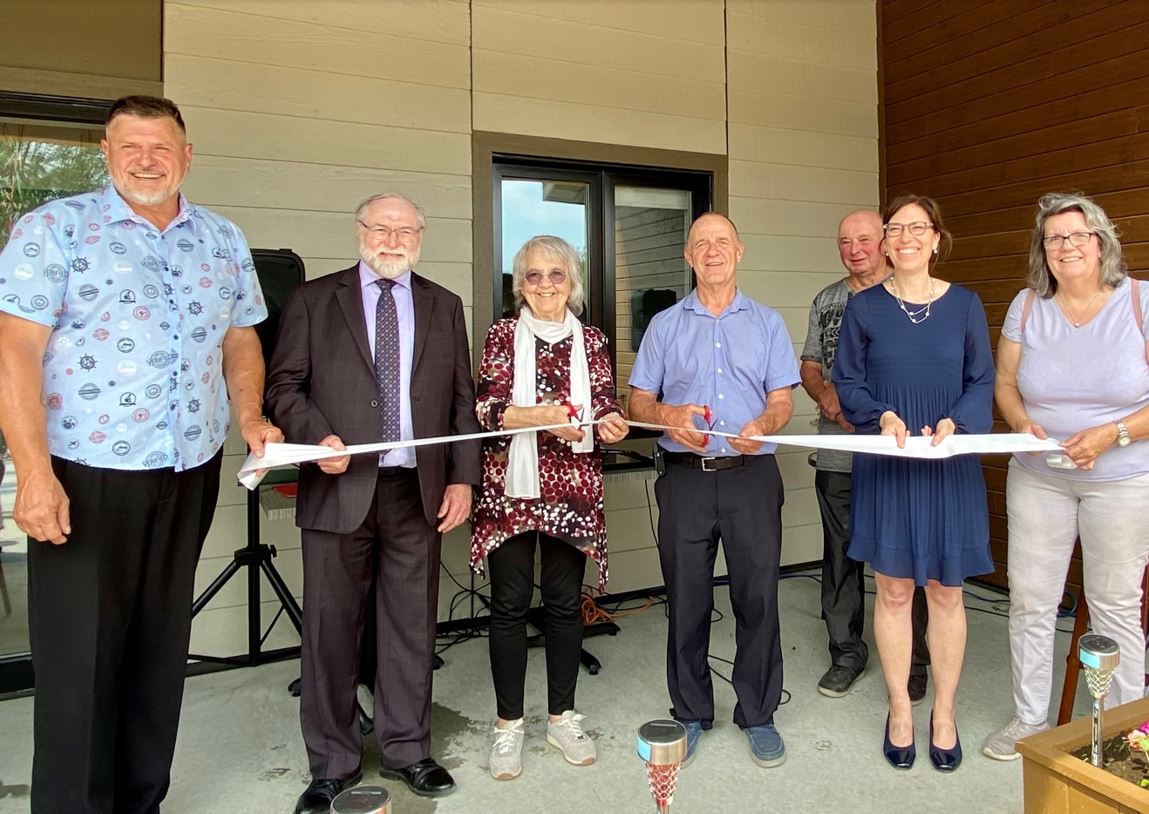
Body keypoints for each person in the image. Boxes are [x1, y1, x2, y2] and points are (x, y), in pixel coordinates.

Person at [0, 95, 279, 814]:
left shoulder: (221, 238)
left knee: (159, 646)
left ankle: (140, 801)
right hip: (86, 472)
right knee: (80, 658)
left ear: (186, 156)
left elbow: (241, 337)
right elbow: (14, 352)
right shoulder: (55, 229)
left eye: (161, 147)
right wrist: (33, 473)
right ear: (106, 152)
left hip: (188, 468)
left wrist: (250, 416)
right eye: (131, 146)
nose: (146, 160)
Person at [265, 194, 480, 811]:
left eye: (405, 230)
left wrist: (462, 478)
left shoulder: (444, 304)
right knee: (330, 630)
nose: (392, 239)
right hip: (338, 486)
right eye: (381, 228)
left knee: (411, 627)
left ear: (421, 236)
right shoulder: (314, 299)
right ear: (359, 231)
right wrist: (315, 437)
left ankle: (408, 749)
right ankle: (331, 764)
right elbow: (283, 387)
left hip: (417, 492)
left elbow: (461, 401)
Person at [629, 212, 800, 769]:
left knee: (758, 598)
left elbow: (782, 400)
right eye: (701, 243)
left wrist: (765, 424)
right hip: (685, 480)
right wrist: (668, 415)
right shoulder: (664, 325)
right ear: (688, 256)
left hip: (752, 478)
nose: (712, 251)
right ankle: (690, 711)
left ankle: (758, 713)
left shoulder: (768, 323)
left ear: (739, 251)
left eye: (721, 241)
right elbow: (638, 402)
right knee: (687, 599)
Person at [983, 192, 1149, 761]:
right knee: (1031, 601)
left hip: (1123, 480)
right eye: (1054, 238)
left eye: (1078, 235)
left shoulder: (1141, 302)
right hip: (1039, 477)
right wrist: (1021, 422)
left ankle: (1129, 733)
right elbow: (1006, 383)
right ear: (1043, 250)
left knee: (1114, 605)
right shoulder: (1028, 306)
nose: (1066, 246)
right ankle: (1029, 719)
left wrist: (1112, 434)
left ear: (1101, 243)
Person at [833, 194, 994, 772]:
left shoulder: (966, 305)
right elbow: (847, 381)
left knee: (947, 592)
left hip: (949, 461)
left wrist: (959, 423)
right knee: (895, 590)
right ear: (885, 241)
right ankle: (900, 709)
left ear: (935, 239)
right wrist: (881, 416)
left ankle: (944, 713)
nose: (905, 238)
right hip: (890, 458)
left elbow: (982, 381)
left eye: (916, 228)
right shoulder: (864, 308)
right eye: (895, 229)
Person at [470, 235, 629, 781]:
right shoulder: (501, 335)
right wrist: (542, 417)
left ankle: (562, 717)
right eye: (533, 275)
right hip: (511, 489)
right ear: (520, 284)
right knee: (509, 605)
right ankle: (508, 724)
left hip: (572, 487)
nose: (544, 285)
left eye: (555, 274)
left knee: (564, 604)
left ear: (572, 281)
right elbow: (486, 410)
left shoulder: (593, 339)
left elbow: (604, 404)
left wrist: (610, 422)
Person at [801, 210, 932, 701]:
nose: (854, 249)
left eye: (864, 239)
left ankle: (913, 661)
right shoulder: (826, 300)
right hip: (840, 452)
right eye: (844, 241)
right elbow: (810, 364)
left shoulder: (913, 296)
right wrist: (826, 396)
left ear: (886, 242)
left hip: (898, 454)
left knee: (906, 557)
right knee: (841, 557)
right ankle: (846, 654)